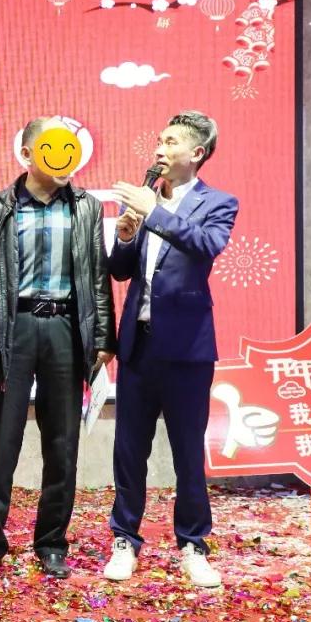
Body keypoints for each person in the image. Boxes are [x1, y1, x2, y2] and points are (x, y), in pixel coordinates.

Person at [0, 116, 116, 580]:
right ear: (28, 154)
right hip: (12, 330)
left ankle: (52, 543)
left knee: (62, 443)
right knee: (1, 442)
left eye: (70, 147)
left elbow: (97, 274)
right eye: (53, 147)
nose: (64, 157)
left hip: (66, 330)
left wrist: (103, 337)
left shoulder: (87, 208)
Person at [103, 110, 238, 588]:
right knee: (128, 450)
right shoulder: (147, 198)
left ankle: (193, 545)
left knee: (187, 453)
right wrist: (124, 238)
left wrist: (154, 213)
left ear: (196, 153)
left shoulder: (218, 203)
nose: (160, 149)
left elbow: (206, 245)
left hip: (187, 351)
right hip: (138, 347)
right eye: (159, 140)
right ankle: (125, 539)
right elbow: (121, 271)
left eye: (171, 141)